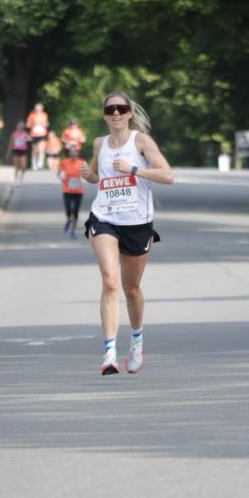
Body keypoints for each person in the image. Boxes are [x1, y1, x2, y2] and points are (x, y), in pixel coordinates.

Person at [80, 91, 174, 376]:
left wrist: (135, 169)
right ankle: (109, 353)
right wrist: (89, 174)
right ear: (104, 115)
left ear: (129, 113)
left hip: (137, 222)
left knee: (130, 288)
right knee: (110, 282)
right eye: (111, 110)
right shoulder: (100, 144)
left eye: (121, 109)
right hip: (105, 217)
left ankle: (136, 341)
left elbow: (168, 176)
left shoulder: (141, 142)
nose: (116, 114)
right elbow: (98, 176)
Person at [58, 143, 86, 239]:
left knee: (76, 212)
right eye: (71, 152)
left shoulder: (81, 162)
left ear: (77, 153)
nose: (73, 153)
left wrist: (83, 177)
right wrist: (62, 178)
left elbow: (86, 173)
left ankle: (73, 231)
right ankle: (69, 220)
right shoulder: (64, 162)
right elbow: (59, 173)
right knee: (68, 211)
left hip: (78, 191)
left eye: (75, 152)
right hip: (67, 190)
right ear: (69, 153)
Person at [26, 102, 50, 170]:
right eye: (36, 108)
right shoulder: (31, 115)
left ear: (41, 109)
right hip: (34, 134)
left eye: (39, 108)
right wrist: (33, 123)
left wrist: (43, 124)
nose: (37, 109)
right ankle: (34, 164)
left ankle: (40, 164)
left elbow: (47, 124)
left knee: (41, 148)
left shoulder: (44, 115)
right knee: (35, 150)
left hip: (42, 133)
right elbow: (27, 124)